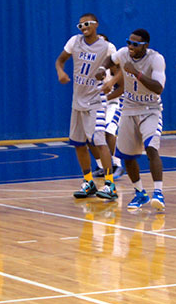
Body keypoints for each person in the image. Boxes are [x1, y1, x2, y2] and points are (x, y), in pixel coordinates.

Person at [96, 29, 166, 211]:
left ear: (145, 45)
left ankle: (158, 193)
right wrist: (102, 69)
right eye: (129, 42)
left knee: (151, 148)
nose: (130, 46)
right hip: (129, 109)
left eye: (135, 44)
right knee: (127, 156)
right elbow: (110, 59)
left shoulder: (156, 59)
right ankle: (140, 193)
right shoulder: (123, 53)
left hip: (150, 109)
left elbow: (158, 88)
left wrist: (137, 73)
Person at [55, 13, 117, 200]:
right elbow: (60, 60)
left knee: (99, 142)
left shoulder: (107, 47)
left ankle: (110, 184)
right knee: (78, 143)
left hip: (96, 101)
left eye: (87, 23)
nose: (83, 27)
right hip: (77, 101)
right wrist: (60, 72)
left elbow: (121, 70)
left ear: (96, 24)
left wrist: (111, 81)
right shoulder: (74, 41)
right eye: (80, 25)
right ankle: (88, 181)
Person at [91, 34, 125, 180]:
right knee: (90, 136)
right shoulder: (91, 65)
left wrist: (104, 98)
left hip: (115, 102)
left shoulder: (114, 67)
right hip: (99, 104)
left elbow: (122, 89)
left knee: (108, 131)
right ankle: (101, 166)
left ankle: (118, 165)